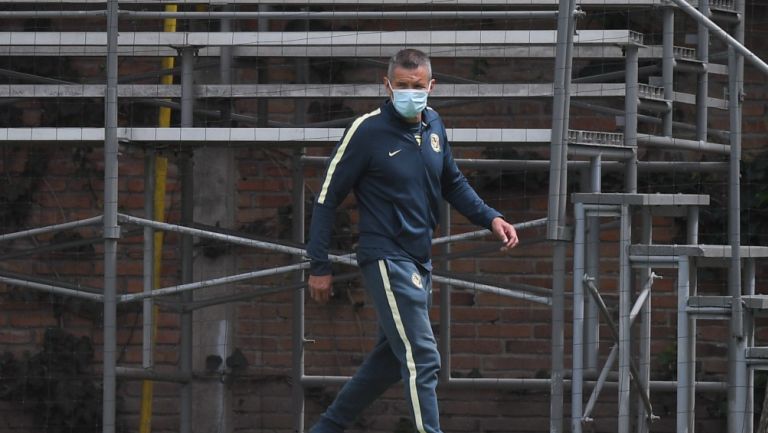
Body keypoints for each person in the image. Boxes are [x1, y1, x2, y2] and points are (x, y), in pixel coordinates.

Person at [306, 48, 519, 433]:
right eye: (401, 87)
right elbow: (326, 198)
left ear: (431, 86)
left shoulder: (434, 125)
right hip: (385, 256)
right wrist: (318, 265)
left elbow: (452, 181)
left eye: (417, 87)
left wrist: (492, 217)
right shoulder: (366, 130)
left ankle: (325, 429)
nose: (409, 93)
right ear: (386, 86)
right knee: (423, 357)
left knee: (390, 360)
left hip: (420, 257)